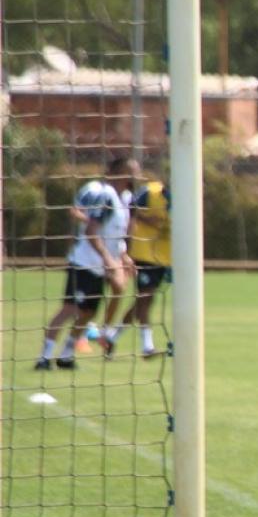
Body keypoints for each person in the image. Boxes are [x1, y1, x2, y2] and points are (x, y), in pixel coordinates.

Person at [36, 158, 139, 371]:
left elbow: (114, 234)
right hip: (84, 263)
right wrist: (108, 258)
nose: (137, 175)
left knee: (88, 313)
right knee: (69, 309)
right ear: (122, 173)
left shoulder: (126, 199)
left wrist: (123, 255)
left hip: (101, 267)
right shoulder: (104, 195)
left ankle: (66, 356)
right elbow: (92, 231)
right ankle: (44, 358)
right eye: (133, 171)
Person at [104, 175, 170, 359]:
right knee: (145, 296)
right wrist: (127, 249)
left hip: (164, 256)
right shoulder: (149, 192)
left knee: (145, 300)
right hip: (143, 252)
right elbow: (130, 211)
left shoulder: (184, 198)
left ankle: (111, 337)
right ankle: (147, 346)